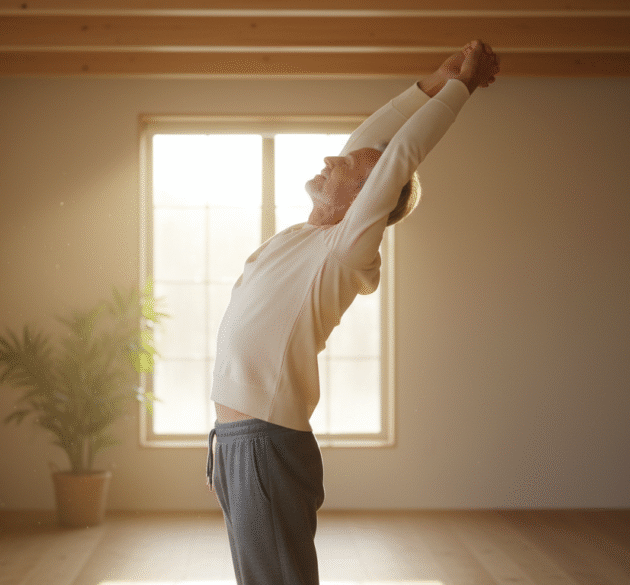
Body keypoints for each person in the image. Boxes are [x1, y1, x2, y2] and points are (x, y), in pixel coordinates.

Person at [205, 40, 501, 585]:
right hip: (234, 441)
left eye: (351, 166)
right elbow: (370, 141)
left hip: (263, 442)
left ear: (367, 199)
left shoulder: (343, 250)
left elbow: (396, 156)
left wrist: (462, 88)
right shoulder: (304, 235)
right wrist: (434, 80)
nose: (332, 157)